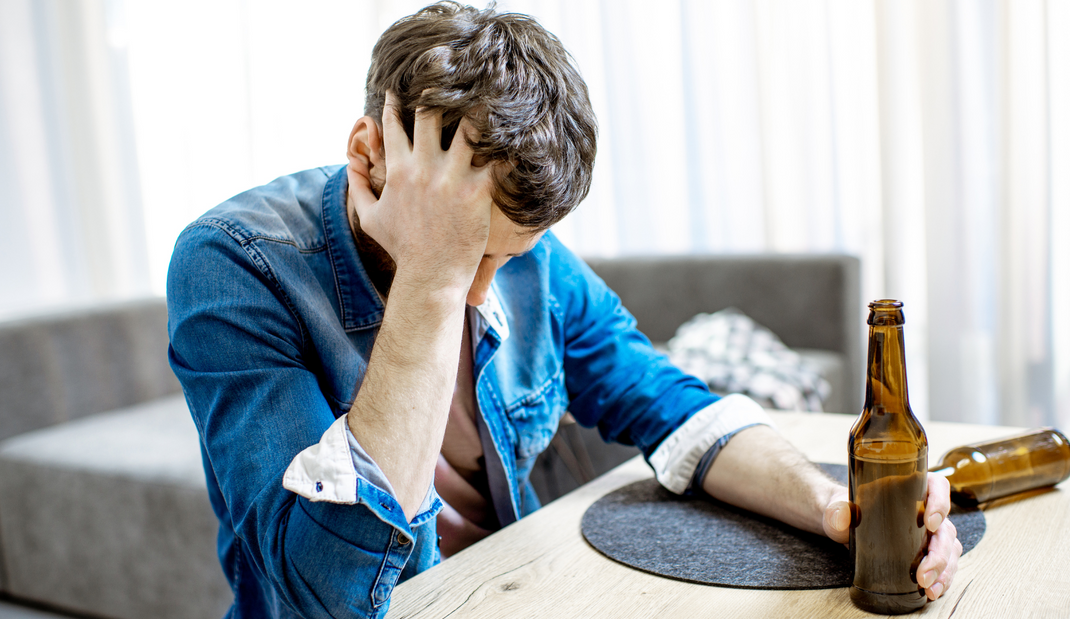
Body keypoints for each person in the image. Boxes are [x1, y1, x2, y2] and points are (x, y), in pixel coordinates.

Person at [166, 3, 962, 618]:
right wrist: (432, 279)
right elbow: (329, 592)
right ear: (372, 156)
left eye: (502, 256)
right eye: (466, 250)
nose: (486, 289)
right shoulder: (234, 263)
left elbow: (673, 408)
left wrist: (831, 505)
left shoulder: (530, 261)